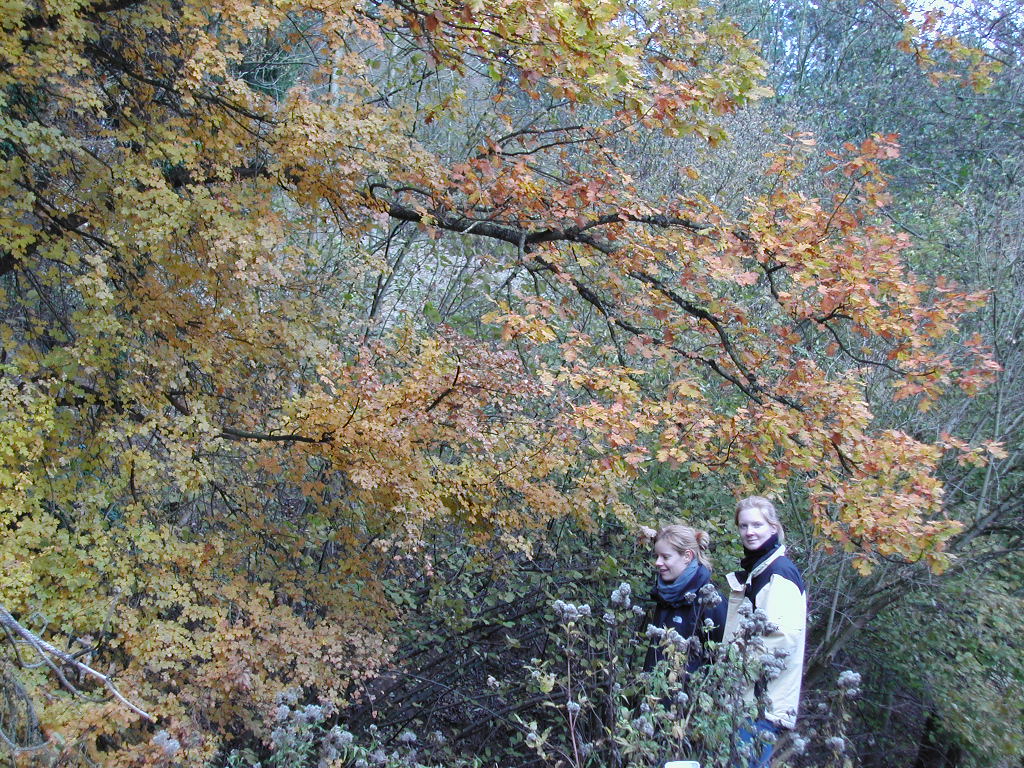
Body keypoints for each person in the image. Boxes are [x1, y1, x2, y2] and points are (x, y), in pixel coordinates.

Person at [723, 496, 806, 768]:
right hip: (746, 701)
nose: (750, 532)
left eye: (757, 524)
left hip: (760, 703)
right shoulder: (757, 571)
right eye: (744, 526)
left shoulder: (778, 573)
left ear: (773, 527)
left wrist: (737, 674)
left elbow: (781, 639)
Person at [644, 524, 727, 674]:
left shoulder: (711, 602)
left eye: (665, 557)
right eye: (657, 556)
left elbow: (721, 659)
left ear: (687, 556)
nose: (658, 562)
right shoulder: (663, 595)